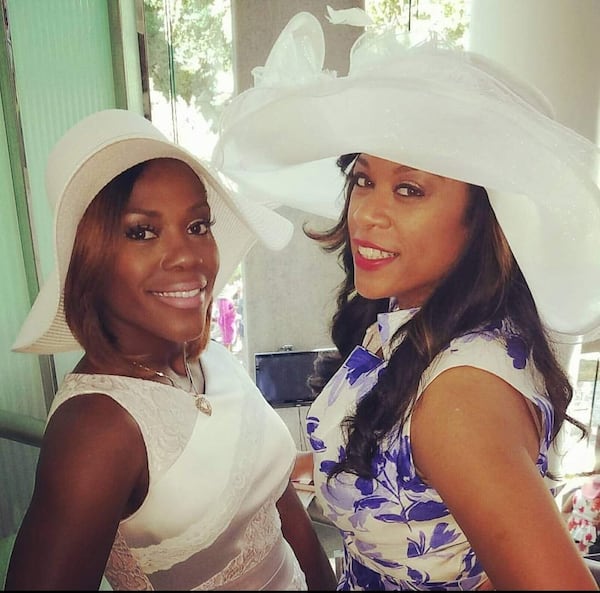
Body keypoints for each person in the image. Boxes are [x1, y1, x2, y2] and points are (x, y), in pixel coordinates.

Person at [211, 9, 600, 591]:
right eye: (363, 179)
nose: (366, 213)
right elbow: (421, 486)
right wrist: (308, 468)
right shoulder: (440, 325)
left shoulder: (457, 398)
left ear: (484, 217)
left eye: (409, 189)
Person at [6, 109, 337, 591]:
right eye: (142, 231)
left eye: (198, 225)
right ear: (89, 258)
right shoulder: (96, 430)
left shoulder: (207, 358)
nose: (187, 254)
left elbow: (276, 498)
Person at [563, 476, 600, 555]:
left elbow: (565, 511)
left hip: (572, 525)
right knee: (581, 554)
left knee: (566, 548)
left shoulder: (577, 494)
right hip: (588, 533)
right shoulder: (597, 504)